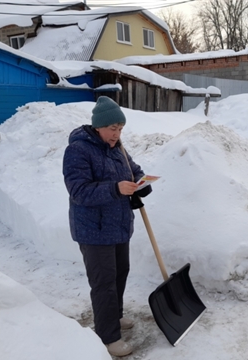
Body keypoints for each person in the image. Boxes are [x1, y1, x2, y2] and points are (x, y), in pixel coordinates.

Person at [62, 96, 152, 357]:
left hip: (119, 225)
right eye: (112, 128)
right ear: (98, 126)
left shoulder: (118, 149)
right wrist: (115, 188)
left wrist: (141, 183)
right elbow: (79, 191)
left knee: (119, 274)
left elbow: (134, 170)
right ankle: (108, 336)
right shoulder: (78, 150)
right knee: (103, 283)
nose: (117, 134)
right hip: (93, 229)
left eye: (120, 128)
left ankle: (116, 315)